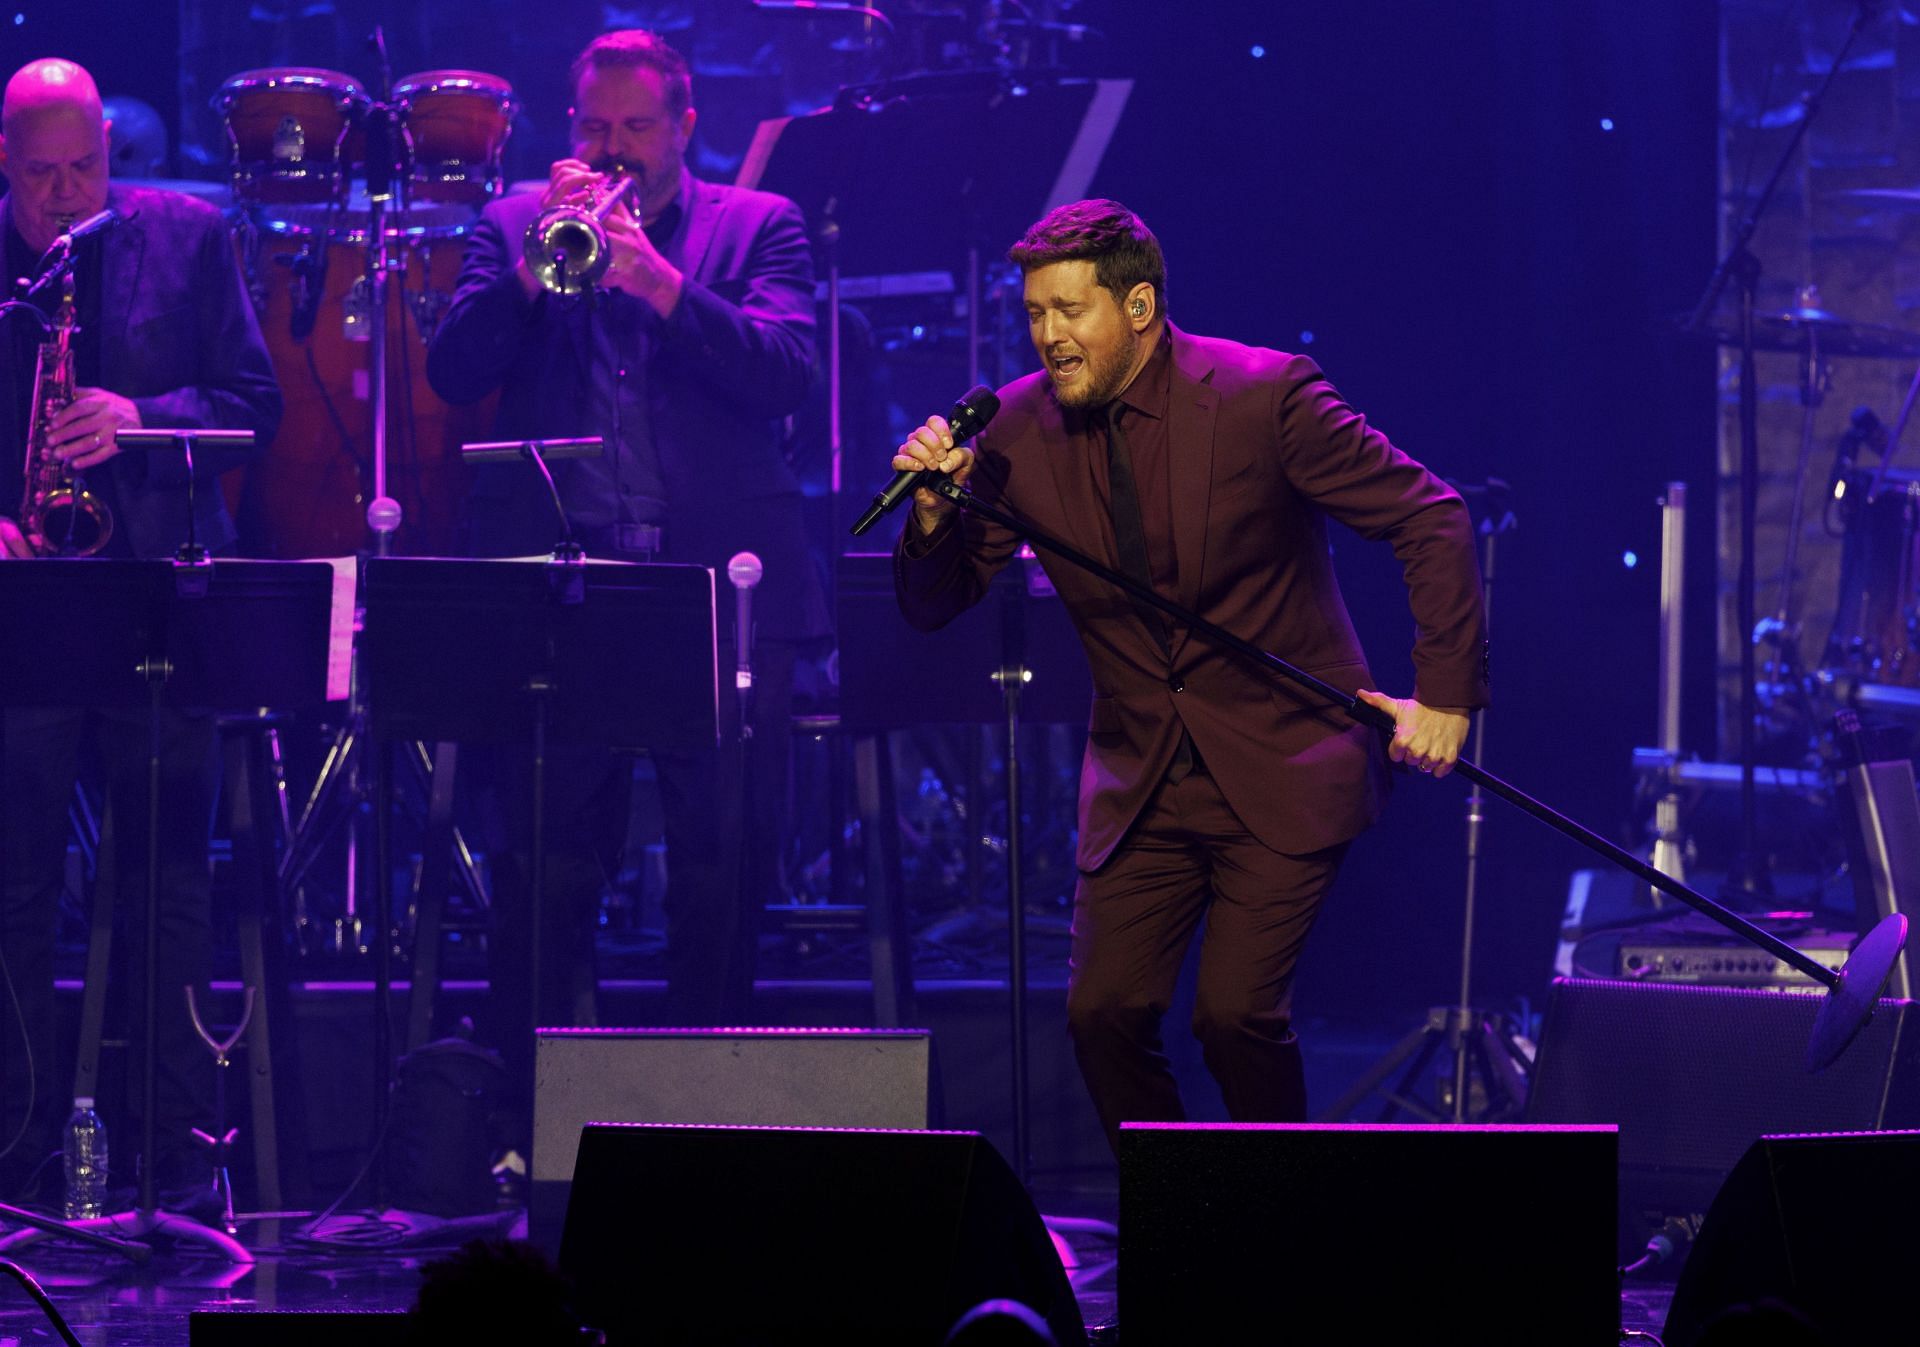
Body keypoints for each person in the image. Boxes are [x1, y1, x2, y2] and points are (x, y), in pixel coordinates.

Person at [891, 199, 1489, 1151]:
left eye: (1069, 311)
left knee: (1232, 1017)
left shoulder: (1265, 395)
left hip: (1285, 753)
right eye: (1036, 314)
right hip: (1141, 779)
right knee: (1102, 1017)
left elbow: (1433, 516)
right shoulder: (1010, 429)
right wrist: (930, 515)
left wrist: (1447, 696)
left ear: (1138, 306)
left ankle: (1273, 1226)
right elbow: (938, 599)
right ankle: (1187, 1227)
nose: (1049, 336)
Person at [426, 30, 826, 1129]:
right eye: (594, 129)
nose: (614, 152)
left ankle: (709, 1128)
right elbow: (455, 370)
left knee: (719, 866)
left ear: (684, 128)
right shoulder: (514, 226)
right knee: (548, 871)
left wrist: (655, 280)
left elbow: (787, 373)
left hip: (720, 597)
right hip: (569, 595)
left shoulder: (760, 226)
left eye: (636, 129)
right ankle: (536, 1135)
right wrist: (531, 273)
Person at [0, 58, 280, 1203]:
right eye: (43, 175)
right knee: (13, 884)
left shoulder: (188, 235)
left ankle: (168, 1161)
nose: (68, 196)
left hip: (160, 595)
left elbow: (250, 407)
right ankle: (14, 1156)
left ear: (111, 152)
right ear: (5, 164)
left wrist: (141, 419)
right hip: (25, 601)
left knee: (166, 883)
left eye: (87, 168)